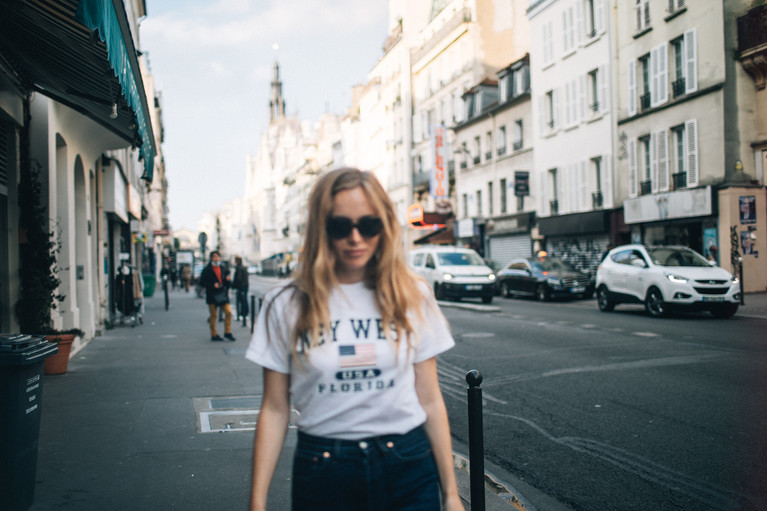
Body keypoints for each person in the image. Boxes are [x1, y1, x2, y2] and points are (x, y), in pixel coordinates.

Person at [245, 168, 463, 511]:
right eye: (340, 226)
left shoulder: (412, 294)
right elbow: (274, 408)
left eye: (369, 225)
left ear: (385, 225)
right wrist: (256, 502)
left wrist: (451, 494)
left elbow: (430, 399)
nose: (356, 238)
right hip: (324, 469)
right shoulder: (286, 301)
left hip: (407, 464)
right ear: (321, 228)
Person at [199, 251, 235, 342]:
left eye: (218, 257)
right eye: (214, 257)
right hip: (212, 295)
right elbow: (202, 282)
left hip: (222, 294)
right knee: (213, 315)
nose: (216, 258)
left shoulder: (223, 268)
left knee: (228, 313)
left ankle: (227, 332)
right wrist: (212, 285)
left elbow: (228, 283)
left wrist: (228, 280)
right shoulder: (207, 270)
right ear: (211, 258)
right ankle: (214, 334)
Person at [233, 256, 250, 320]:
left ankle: (243, 313)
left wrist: (234, 285)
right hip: (245, 286)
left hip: (241, 287)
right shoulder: (243, 267)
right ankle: (245, 313)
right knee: (244, 300)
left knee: (242, 300)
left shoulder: (239, 268)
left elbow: (239, 279)